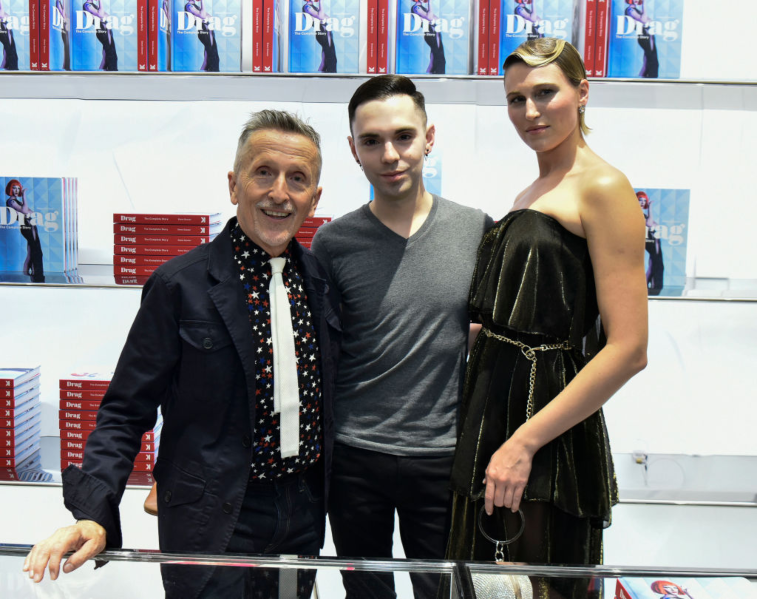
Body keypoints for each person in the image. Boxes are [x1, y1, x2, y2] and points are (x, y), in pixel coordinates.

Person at [23, 110, 341, 599]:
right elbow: (125, 410)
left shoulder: (321, 282)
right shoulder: (179, 286)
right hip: (211, 513)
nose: (279, 192)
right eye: (263, 173)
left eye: (297, 179)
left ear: (314, 199)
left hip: (301, 513)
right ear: (233, 185)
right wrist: (94, 511)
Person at [445, 38, 648, 599]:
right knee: (487, 586)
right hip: (492, 417)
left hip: (543, 435)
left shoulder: (604, 187)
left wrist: (524, 444)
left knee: (538, 586)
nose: (530, 111)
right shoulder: (531, 191)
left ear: (582, 92)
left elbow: (629, 348)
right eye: (516, 99)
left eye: (544, 93)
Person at [311, 74, 492, 599]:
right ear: (353, 150)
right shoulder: (332, 242)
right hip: (353, 456)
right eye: (372, 141)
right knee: (366, 594)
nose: (390, 155)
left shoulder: (477, 230)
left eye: (403, 137)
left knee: (442, 592)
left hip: (443, 456)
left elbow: (492, 339)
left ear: (428, 138)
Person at [5, 179, 44, 280]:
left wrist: (25, 208)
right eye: (14, 188)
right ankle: (36, 277)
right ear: (10, 189)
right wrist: (24, 195)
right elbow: (25, 211)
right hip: (27, 226)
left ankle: (29, 277)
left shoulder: (16, 201)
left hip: (29, 225)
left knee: (31, 253)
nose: (17, 190)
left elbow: (30, 212)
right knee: (36, 252)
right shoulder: (11, 201)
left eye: (18, 188)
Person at [637, 190, 663, 292]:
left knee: (654, 263)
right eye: (640, 200)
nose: (642, 202)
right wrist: (650, 207)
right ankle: (647, 284)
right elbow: (649, 223)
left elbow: (653, 224)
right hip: (643, 239)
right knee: (655, 262)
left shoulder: (641, 213)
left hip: (650, 239)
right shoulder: (635, 213)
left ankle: (648, 285)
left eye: (644, 200)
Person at [625, 0, 659, 78]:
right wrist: (644, 4)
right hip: (644, 36)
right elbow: (644, 20)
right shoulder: (630, 10)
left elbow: (650, 21)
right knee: (652, 61)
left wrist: (645, 19)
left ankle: (643, 80)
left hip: (648, 35)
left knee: (647, 63)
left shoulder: (636, 10)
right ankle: (651, 80)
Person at [411, 0, 445, 74]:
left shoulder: (422, 8)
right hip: (430, 33)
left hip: (435, 32)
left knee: (435, 58)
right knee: (438, 57)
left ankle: (430, 75)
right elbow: (430, 18)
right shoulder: (416, 8)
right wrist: (430, 3)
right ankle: (435, 75)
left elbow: (437, 19)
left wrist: (429, 15)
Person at [303, 0, 337, 73]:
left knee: (326, 60)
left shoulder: (314, 7)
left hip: (326, 32)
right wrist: (321, 2)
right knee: (330, 58)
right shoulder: (307, 7)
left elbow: (327, 18)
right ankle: (330, 76)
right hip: (322, 33)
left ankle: (319, 77)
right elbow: (321, 17)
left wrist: (320, 16)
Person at [185, 0, 220, 72]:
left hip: (208, 31)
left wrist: (202, 16)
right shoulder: (189, 6)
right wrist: (202, 1)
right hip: (204, 32)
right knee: (212, 55)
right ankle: (211, 74)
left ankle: (202, 75)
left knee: (208, 58)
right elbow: (203, 16)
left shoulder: (196, 7)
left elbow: (209, 16)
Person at [83, 0, 118, 71]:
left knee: (107, 55)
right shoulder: (87, 5)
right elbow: (101, 15)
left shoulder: (94, 5)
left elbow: (107, 16)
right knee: (110, 54)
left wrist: (99, 14)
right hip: (102, 31)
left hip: (106, 30)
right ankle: (111, 71)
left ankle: (101, 73)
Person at [0, 0, 19, 71]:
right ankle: (9, 66)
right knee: (9, 47)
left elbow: (2, 15)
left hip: (3, 24)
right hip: (3, 23)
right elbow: (2, 15)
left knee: (9, 47)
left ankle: (8, 66)